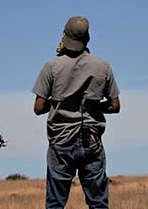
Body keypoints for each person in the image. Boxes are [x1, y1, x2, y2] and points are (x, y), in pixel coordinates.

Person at [33, 16, 120, 209]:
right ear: (88, 38)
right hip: (91, 139)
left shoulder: (52, 66)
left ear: (64, 36)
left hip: (61, 140)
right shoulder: (102, 66)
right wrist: (93, 105)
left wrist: (60, 101)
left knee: (55, 203)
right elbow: (115, 105)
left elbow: (38, 108)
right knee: (98, 203)